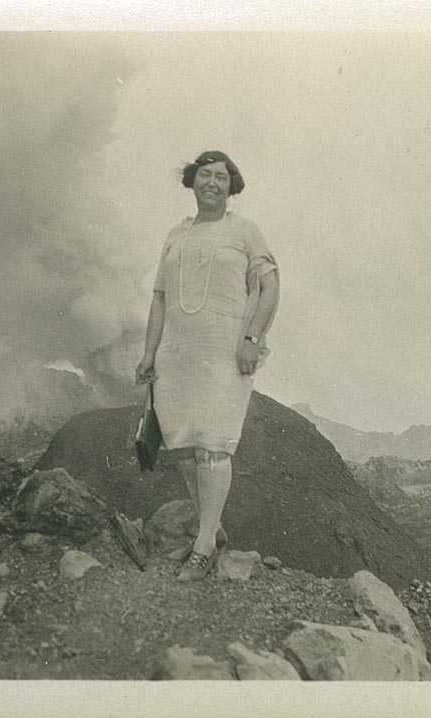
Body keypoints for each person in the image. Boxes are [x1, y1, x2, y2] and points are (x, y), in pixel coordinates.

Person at [135, 150, 280, 581]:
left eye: (220, 177)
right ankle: (208, 534)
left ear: (231, 186)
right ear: (192, 181)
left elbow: (271, 286)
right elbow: (160, 297)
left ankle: (202, 548)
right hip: (177, 352)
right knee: (183, 444)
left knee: (214, 443)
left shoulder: (244, 231)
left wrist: (252, 338)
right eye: (204, 175)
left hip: (223, 350)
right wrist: (149, 352)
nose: (211, 183)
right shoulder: (175, 235)